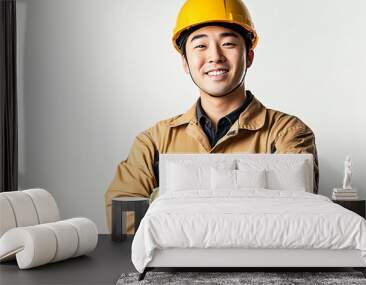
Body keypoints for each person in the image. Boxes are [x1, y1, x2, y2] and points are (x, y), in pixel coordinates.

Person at [104, 0, 319, 234]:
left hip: (260, 268)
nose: (215, 56)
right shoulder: (153, 142)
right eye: (201, 46)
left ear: (249, 56)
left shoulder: (288, 133)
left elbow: (296, 220)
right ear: (185, 62)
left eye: (228, 43)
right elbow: (124, 221)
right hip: (170, 269)